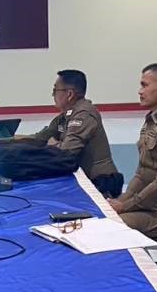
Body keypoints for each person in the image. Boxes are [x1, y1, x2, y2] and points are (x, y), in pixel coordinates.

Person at [108, 63, 157, 238]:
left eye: (144, 85)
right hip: (153, 205)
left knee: (113, 226)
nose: (140, 91)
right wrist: (120, 202)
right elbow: (142, 173)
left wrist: (125, 206)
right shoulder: (153, 121)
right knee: (106, 214)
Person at [21, 69, 122, 197]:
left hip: (101, 184)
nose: (52, 95)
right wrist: (7, 140)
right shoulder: (65, 116)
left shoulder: (84, 115)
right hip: (84, 181)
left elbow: (66, 153)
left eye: (55, 90)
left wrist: (53, 144)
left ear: (69, 94)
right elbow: (40, 138)